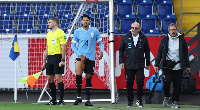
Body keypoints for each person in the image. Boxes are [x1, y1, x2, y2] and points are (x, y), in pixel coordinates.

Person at [154, 23, 190, 108]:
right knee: (167, 81)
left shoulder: (182, 40)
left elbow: (185, 54)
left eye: (174, 30)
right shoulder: (164, 40)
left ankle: (175, 102)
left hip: (178, 65)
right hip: (167, 65)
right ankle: (166, 96)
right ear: (169, 31)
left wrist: (187, 66)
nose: (173, 31)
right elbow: (159, 53)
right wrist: (156, 64)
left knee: (177, 84)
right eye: (171, 30)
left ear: (177, 30)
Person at [71, 14, 104, 106]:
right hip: (80, 57)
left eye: (87, 20)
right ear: (81, 22)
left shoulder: (95, 31)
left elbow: (101, 43)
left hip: (91, 58)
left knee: (88, 78)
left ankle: (87, 100)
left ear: (89, 21)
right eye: (83, 20)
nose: (85, 22)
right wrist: (79, 55)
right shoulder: (77, 32)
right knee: (78, 76)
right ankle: (78, 98)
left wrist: (101, 51)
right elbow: (73, 46)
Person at [119, 22, 150, 107]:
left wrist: (147, 63)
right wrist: (121, 61)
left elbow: (147, 51)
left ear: (139, 29)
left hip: (140, 64)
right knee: (129, 83)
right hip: (129, 64)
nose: (134, 29)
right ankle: (130, 101)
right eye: (132, 27)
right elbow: (121, 50)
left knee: (140, 82)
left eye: (136, 28)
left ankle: (139, 100)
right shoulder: (125, 37)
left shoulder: (143, 38)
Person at [42, 17, 66, 105]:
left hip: (57, 57)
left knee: (58, 78)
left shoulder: (61, 32)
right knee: (49, 79)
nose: (48, 24)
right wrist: (44, 61)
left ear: (54, 23)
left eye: (49, 22)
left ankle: (61, 100)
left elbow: (63, 47)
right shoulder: (48, 34)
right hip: (50, 58)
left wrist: (62, 59)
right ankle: (53, 100)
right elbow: (47, 48)